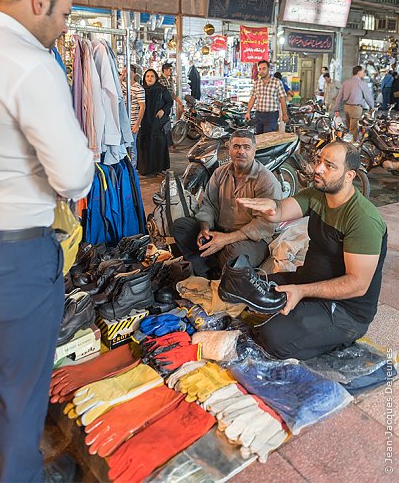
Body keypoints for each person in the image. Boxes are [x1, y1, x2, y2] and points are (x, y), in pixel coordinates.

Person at [0, 0, 94, 482]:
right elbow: (72, 176)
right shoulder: (28, 62)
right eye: (65, 15)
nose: (65, 29)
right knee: (16, 400)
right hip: (11, 261)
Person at [238, 140, 387, 360]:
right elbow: (281, 209)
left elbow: (358, 284)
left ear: (350, 176)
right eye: (319, 161)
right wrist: (271, 209)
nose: (318, 169)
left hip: (346, 310)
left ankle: (338, 339)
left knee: (273, 337)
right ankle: (301, 316)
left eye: (329, 165)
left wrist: (302, 292)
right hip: (308, 282)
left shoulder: (363, 219)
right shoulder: (317, 195)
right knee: (249, 288)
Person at [172, 129, 282, 278]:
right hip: (219, 231)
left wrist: (226, 240)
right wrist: (205, 228)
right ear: (229, 150)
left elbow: (264, 225)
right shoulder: (219, 173)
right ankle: (207, 271)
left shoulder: (266, 180)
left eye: (246, 147)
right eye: (236, 146)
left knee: (233, 253)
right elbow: (208, 205)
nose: (241, 151)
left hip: (252, 239)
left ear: (254, 151)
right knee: (181, 226)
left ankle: (210, 265)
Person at [137, 68, 173, 176]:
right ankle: (145, 168)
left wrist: (163, 110)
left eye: (152, 76)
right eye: (147, 76)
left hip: (157, 122)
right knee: (144, 143)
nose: (149, 78)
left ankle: (158, 168)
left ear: (156, 78)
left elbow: (169, 102)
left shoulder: (161, 89)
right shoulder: (141, 89)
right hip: (144, 122)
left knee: (158, 143)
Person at [245, 60, 289, 134]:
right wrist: (248, 112)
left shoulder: (277, 82)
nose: (261, 71)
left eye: (264, 68)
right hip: (258, 114)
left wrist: (285, 114)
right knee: (258, 137)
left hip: (271, 115)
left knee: (268, 137)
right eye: (260, 69)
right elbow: (252, 98)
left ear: (269, 69)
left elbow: (282, 99)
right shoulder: (257, 83)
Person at [334, 65, 374, 140]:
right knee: (353, 130)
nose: (364, 73)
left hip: (346, 107)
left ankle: (347, 144)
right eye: (363, 71)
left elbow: (339, 96)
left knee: (349, 128)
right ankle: (351, 148)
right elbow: (368, 96)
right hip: (356, 108)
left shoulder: (345, 82)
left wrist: (336, 109)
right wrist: (372, 106)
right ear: (358, 72)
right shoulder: (362, 83)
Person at [121, 63, 145, 167]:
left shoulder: (138, 88)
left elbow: (142, 107)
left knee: (132, 146)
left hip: (132, 122)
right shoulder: (119, 84)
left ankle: (132, 167)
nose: (125, 73)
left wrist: (137, 124)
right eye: (124, 71)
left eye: (128, 71)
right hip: (120, 121)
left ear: (134, 73)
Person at [158, 62, 183, 149]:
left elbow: (172, 93)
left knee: (167, 123)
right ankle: (169, 144)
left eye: (172, 70)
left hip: (169, 105)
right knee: (166, 124)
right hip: (163, 106)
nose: (171, 71)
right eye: (170, 69)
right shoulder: (160, 80)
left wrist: (177, 100)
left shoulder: (170, 80)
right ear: (164, 70)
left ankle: (169, 143)